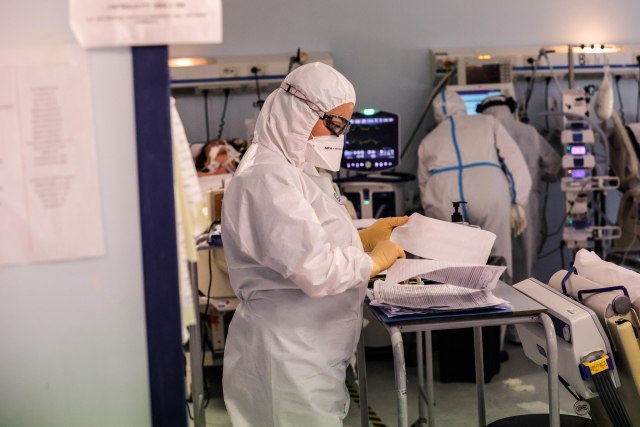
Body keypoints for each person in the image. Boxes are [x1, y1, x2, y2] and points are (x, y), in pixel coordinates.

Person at [221, 62, 408, 427]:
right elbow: (315, 269)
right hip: (288, 356)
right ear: (298, 112)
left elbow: (306, 241)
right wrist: (373, 262)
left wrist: (361, 240)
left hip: (311, 350)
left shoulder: (297, 168)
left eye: (344, 127)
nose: (338, 136)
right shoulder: (267, 177)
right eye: (333, 124)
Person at [417, 89, 532, 282]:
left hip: (444, 195)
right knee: (498, 259)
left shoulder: (428, 141)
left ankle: (452, 296)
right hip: (488, 191)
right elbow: (513, 160)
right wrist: (518, 201)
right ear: (462, 106)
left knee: (448, 265)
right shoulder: (487, 122)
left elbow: (423, 184)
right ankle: (501, 294)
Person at [477, 95, 562, 283]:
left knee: (491, 263)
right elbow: (554, 169)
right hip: (526, 207)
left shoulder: (479, 134)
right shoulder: (529, 133)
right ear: (511, 108)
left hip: (490, 208)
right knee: (526, 263)